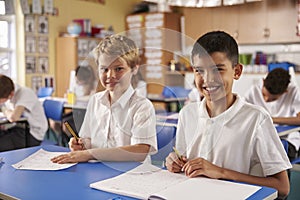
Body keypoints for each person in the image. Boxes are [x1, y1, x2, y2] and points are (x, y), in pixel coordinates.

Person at [165, 31, 291, 198]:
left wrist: (220, 172)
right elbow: (184, 163)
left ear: (236, 71)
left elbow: (282, 187)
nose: (208, 79)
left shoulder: (256, 119)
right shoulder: (187, 114)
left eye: (217, 69)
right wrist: (174, 162)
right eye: (199, 71)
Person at [51, 35, 157, 163]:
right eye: (104, 69)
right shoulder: (95, 101)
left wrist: (90, 154)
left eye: (119, 69)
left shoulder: (142, 106)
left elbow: (140, 151)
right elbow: (88, 139)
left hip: (132, 175)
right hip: (99, 171)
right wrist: (81, 145)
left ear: (134, 69)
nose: (110, 75)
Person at [244, 68, 300, 161]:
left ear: (285, 92)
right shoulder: (254, 89)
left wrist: (271, 119)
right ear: (263, 81)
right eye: (263, 94)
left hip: (287, 140)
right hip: (261, 137)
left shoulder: (293, 91)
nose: (265, 100)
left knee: (275, 154)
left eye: (272, 99)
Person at [0, 74, 48, 151]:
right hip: (17, 128)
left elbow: (13, 117)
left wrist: (5, 110)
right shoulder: (6, 92)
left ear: (11, 94)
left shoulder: (25, 93)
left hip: (32, 133)